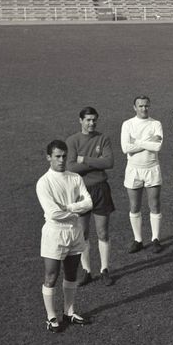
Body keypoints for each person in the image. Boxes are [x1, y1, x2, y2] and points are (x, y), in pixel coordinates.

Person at [36, 140, 93, 332]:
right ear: (49, 158)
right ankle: (51, 317)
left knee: (71, 273)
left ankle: (69, 312)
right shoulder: (44, 182)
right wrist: (78, 209)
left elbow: (89, 203)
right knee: (51, 275)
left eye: (64, 156)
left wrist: (69, 208)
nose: (61, 160)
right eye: (57, 157)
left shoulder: (75, 177)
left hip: (74, 231)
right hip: (55, 233)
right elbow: (53, 213)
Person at [66, 106, 115, 287]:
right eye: (88, 120)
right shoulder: (72, 141)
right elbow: (70, 167)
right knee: (83, 232)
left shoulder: (103, 138)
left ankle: (104, 269)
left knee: (103, 232)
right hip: (81, 191)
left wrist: (84, 159)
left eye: (94, 120)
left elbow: (109, 162)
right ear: (81, 121)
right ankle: (87, 270)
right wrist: (97, 162)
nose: (91, 123)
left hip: (101, 189)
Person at [121, 95, 164, 254]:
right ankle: (138, 239)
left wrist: (136, 142)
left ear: (149, 106)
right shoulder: (127, 124)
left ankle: (155, 239)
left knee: (154, 205)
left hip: (152, 168)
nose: (143, 108)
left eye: (146, 106)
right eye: (140, 106)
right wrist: (147, 142)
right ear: (134, 107)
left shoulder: (156, 123)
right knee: (134, 206)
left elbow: (157, 146)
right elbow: (125, 148)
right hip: (133, 170)